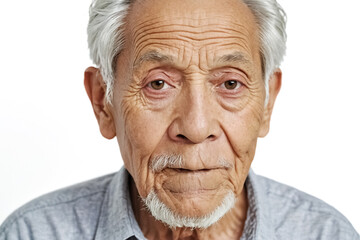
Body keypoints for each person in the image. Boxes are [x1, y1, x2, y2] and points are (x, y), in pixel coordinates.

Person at [0, 0, 359, 239]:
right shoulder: (31, 233)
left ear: (267, 102)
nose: (196, 127)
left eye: (230, 83)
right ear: (102, 102)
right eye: (158, 84)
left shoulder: (326, 233)